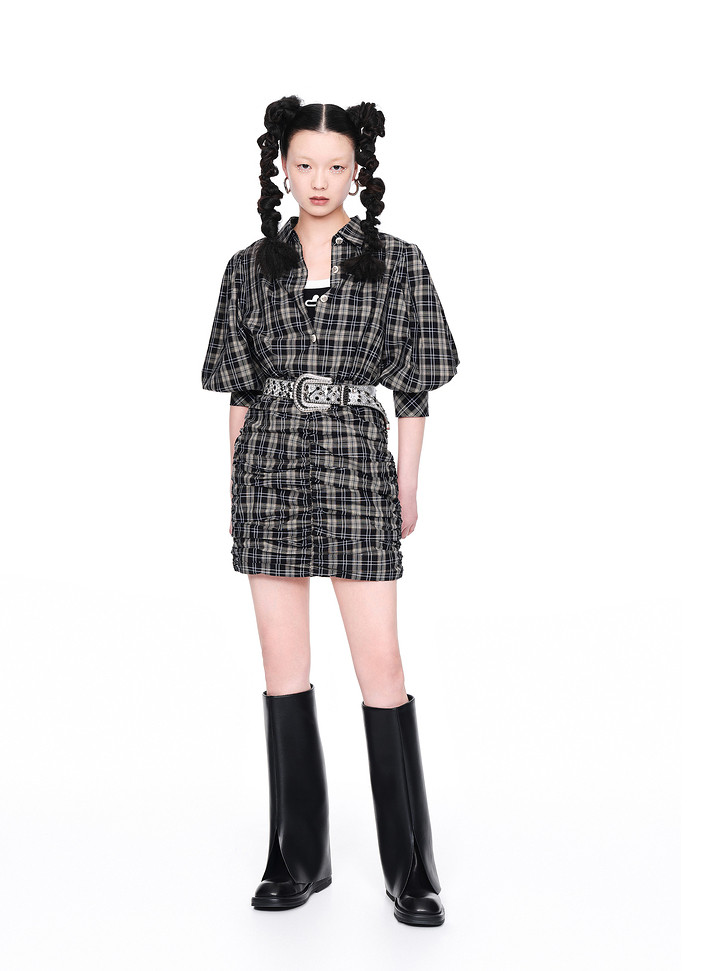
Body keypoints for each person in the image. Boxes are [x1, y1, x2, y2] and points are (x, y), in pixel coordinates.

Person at [201, 96, 460, 927]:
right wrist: (236, 484)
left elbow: (414, 387)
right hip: (269, 464)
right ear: (282, 166)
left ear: (359, 170)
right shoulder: (249, 266)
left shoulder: (398, 261)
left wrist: (407, 486)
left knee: (381, 664)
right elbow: (239, 389)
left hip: (355, 459)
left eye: (337, 166)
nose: (320, 180)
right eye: (305, 164)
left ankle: (411, 866)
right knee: (283, 666)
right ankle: (297, 853)